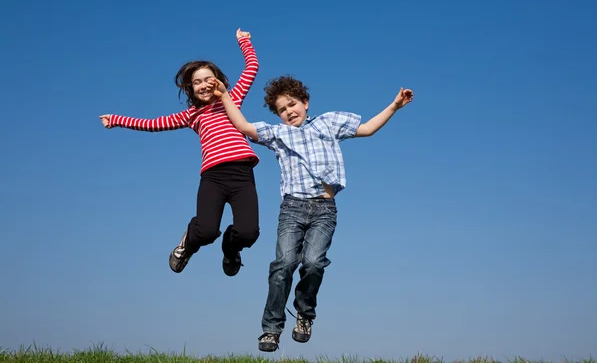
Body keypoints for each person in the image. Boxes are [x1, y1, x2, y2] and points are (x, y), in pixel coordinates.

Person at [209, 74, 414, 351]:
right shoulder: (279, 134)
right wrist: (223, 95)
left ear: (305, 102)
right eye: (282, 110)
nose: (288, 112)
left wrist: (394, 106)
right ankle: (271, 329)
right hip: (292, 209)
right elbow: (243, 124)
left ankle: (305, 314)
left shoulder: (327, 123)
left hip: (324, 211)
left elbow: (366, 129)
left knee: (314, 263)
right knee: (283, 265)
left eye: (292, 104)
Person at [99, 28, 260, 277]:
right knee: (206, 231)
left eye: (209, 79)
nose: (204, 85)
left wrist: (244, 41)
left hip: (242, 175)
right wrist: (118, 119)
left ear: (219, 81)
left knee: (248, 232)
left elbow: (252, 67)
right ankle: (187, 244)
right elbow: (153, 124)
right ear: (190, 89)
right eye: (197, 82)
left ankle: (231, 250)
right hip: (213, 178)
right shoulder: (190, 115)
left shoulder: (232, 98)